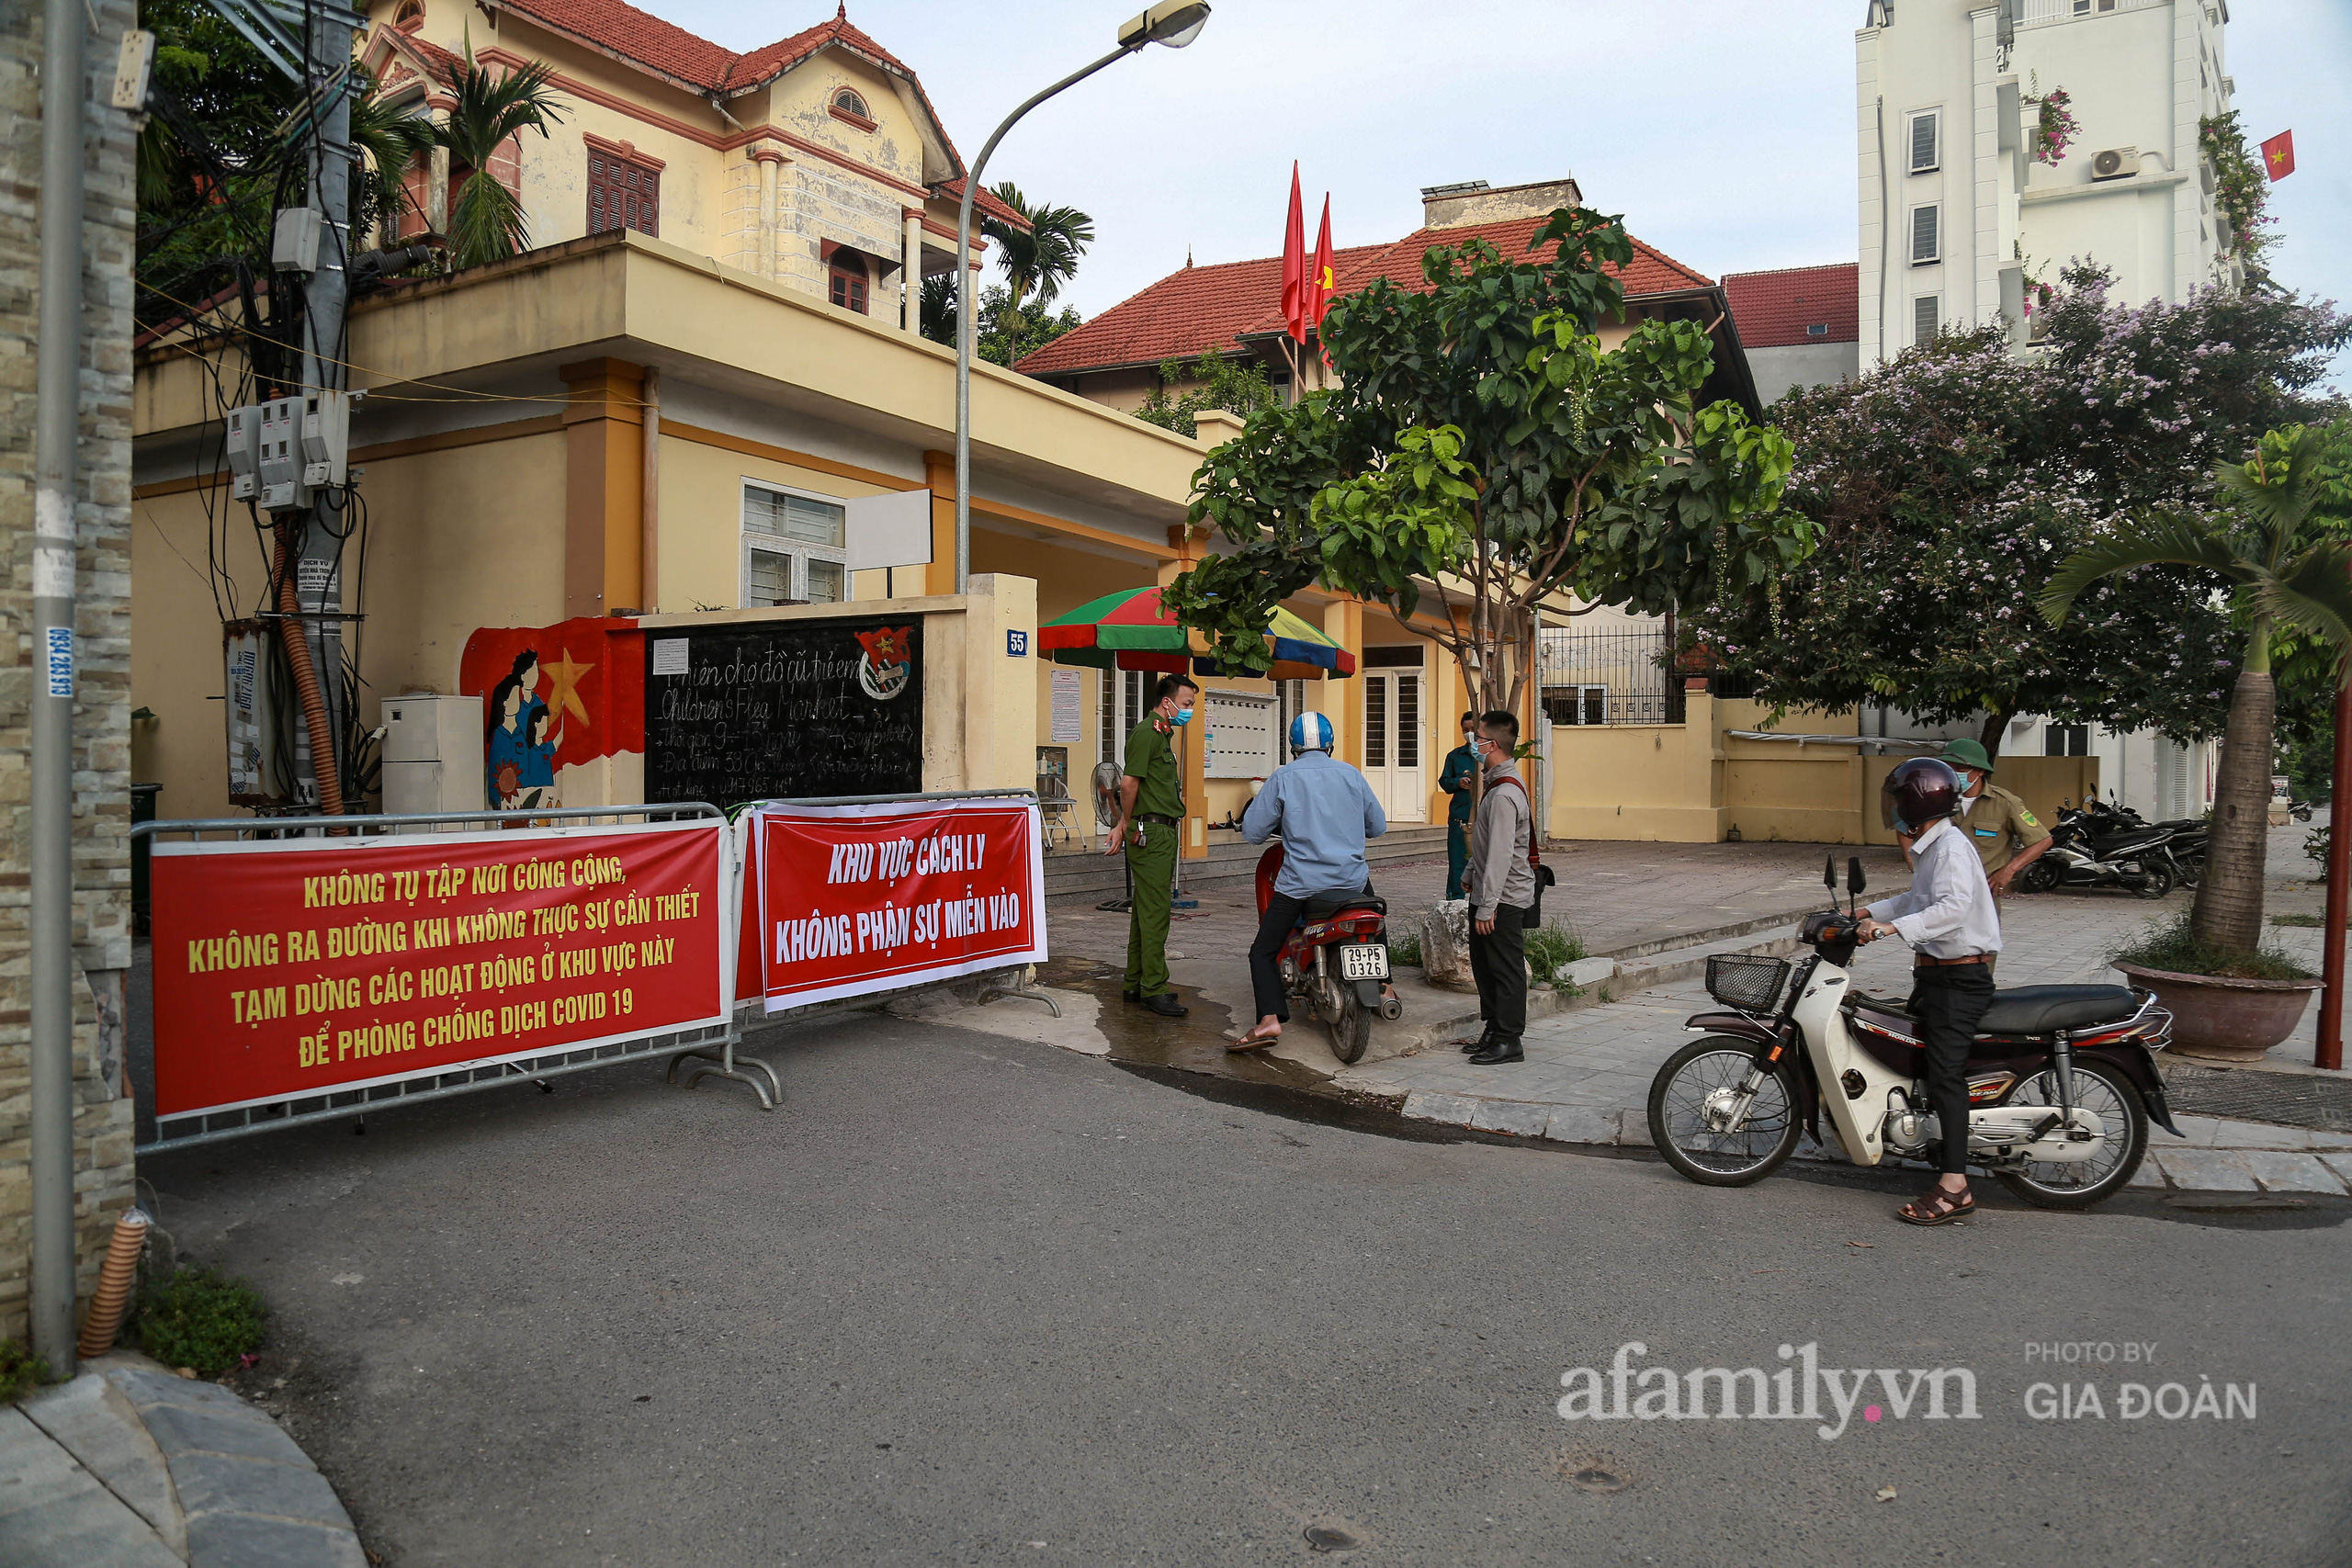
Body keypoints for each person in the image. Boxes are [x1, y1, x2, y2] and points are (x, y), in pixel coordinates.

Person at [1855, 757, 2000, 1227]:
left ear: (1919, 801)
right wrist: (1866, 914)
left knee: (1944, 1075)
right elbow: (1919, 900)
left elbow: (1953, 908)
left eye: (1900, 799)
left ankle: (1955, 1186)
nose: (1895, 808)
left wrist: (1889, 929)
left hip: (1959, 981)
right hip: (1937, 976)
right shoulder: (1933, 846)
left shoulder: (1952, 849)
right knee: (1907, 1054)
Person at [1231, 711, 1388, 1050]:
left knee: (1262, 951)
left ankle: (1269, 1020)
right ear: (1331, 745)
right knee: (1375, 921)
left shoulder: (1284, 777)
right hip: (1351, 880)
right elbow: (1377, 827)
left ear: (1293, 747)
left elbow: (1254, 831)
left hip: (1301, 884)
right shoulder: (1352, 775)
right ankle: (1386, 985)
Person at [1101, 673, 1198, 1018]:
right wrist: (1124, 822)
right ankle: (1153, 988)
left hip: (1158, 830)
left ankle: (1135, 981)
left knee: (1145, 911)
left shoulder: (1162, 734)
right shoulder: (1148, 732)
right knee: (1156, 912)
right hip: (1151, 831)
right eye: (1186, 705)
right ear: (1167, 701)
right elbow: (1128, 784)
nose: (1189, 711)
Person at [1464, 710, 1537, 1066]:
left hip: (1503, 898)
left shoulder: (1506, 793)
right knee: (1485, 965)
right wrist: (1468, 871)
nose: (1472, 742)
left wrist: (1488, 905)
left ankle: (1510, 1040)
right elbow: (1486, 841)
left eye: (1476, 736)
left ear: (1491, 744)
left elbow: (1501, 855)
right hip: (1488, 891)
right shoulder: (1495, 785)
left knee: (1505, 968)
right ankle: (1493, 1028)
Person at [1939, 738, 2052, 903]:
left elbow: (2042, 840)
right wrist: (1912, 860)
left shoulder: (2005, 803)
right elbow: (1905, 827)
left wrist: (2009, 870)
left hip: (1982, 896)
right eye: (1949, 768)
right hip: (1941, 891)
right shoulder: (1937, 800)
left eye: (1960, 769)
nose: (1953, 774)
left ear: (1980, 771)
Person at [1436, 712, 1479, 900]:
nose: (1469, 733)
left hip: (1482, 819)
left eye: (1473, 730)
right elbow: (1444, 781)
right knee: (1457, 864)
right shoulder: (1455, 756)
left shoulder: (1489, 755)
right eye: (1465, 730)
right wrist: (1457, 782)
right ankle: (1455, 902)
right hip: (1459, 817)